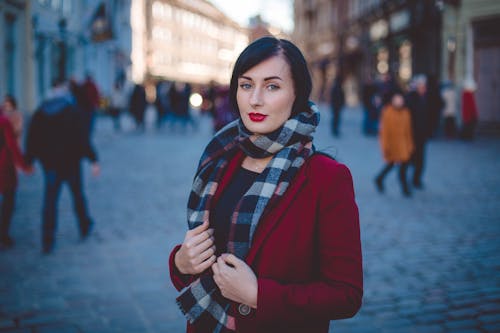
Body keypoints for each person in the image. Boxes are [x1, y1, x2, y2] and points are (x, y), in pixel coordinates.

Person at [169, 37, 362, 333]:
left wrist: (259, 295)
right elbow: (200, 257)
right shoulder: (219, 159)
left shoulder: (327, 178)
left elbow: (346, 295)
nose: (255, 99)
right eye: (246, 85)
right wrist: (181, 262)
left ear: (297, 93)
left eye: (272, 86)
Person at [25, 80, 100, 254]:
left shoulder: (41, 111)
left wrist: (29, 160)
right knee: (77, 196)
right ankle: (84, 225)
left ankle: (48, 239)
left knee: (50, 200)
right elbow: (82, 138)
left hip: (51, 164)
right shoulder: (72, 111)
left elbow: (32, 138)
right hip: (71, 163)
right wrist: (93, 159)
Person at [0, 109, 32, 249]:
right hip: (3, 165)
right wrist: (24, 166)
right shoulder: (3, 121)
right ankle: (3, 233)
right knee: (9, 200)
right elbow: (12, 145)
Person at [374, 90, 414, 197]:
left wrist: (410, 145)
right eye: (397, 100)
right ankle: (379, 179)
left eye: (400, 100)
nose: (399, 102)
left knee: (402, 167)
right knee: (391, 165)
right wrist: (385, 146)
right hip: (392, 145)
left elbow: (408, 131)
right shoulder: (387, 112)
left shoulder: (406, 113)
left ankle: (405, 188)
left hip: (403, 145)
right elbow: (384, 132)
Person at [406, 75, 430, 189]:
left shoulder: (423, 98)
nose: (424, 89)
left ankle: (416, 180)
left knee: (419, 160)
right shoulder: (412, 99)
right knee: (409, 159)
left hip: (421, 135)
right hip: (412, 134)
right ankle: (410, 180)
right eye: (422, 86)